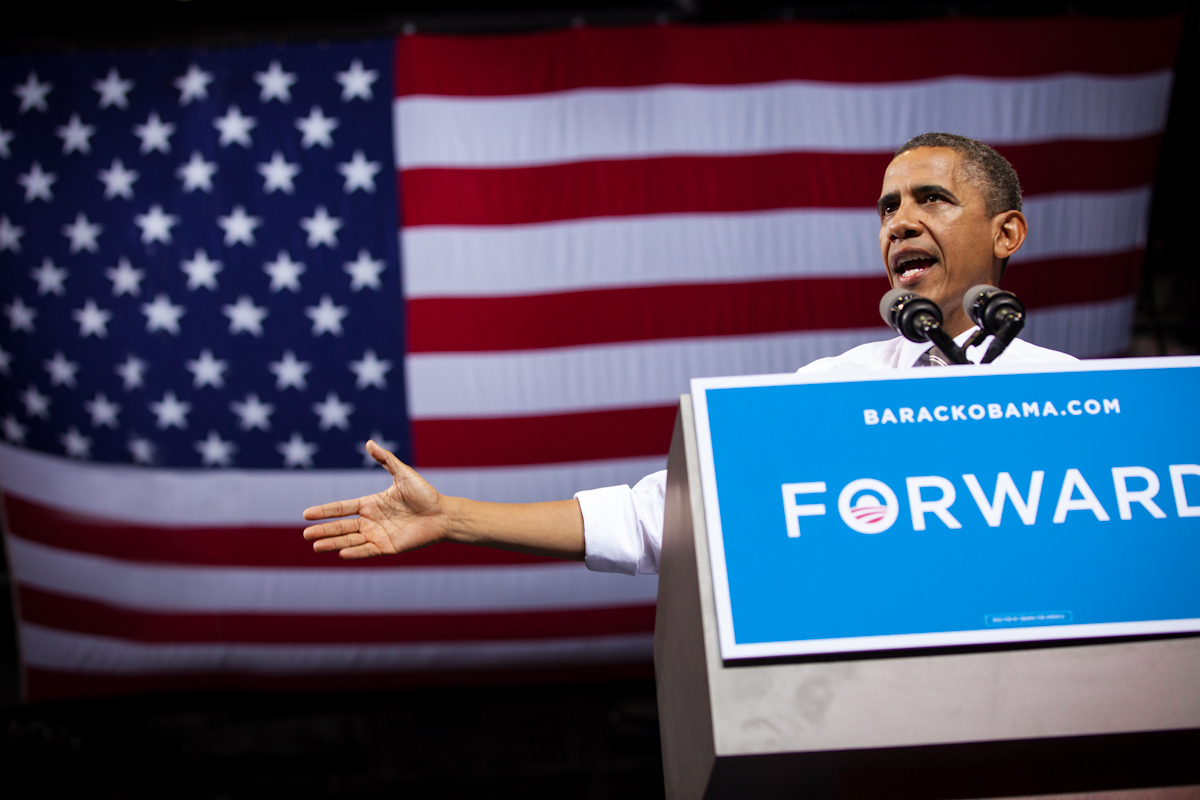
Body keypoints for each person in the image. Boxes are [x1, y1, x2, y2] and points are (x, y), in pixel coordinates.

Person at [302, 132, 1076, 574]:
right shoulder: (831, 391)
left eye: (930, 200)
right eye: (887, 208)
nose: (899, 223)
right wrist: (457, 518)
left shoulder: (1080, 396)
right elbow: (665, 517)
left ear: (1006, 234)